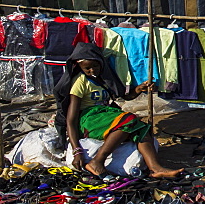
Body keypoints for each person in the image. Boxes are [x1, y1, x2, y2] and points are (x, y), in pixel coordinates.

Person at [55, 43, 183, 178]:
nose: (92, 70)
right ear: (79, 67)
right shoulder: (80, 83)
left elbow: (124, 96)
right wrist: (76, 150)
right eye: (87, 68)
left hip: (105, 115)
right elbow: (71, 119)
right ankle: (97, 161)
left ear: (101, 64)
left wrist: (139, 89)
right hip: (89, 119)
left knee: (142, 127)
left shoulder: (104, 79)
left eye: (95, 66)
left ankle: (155, 168)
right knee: (129, 120)